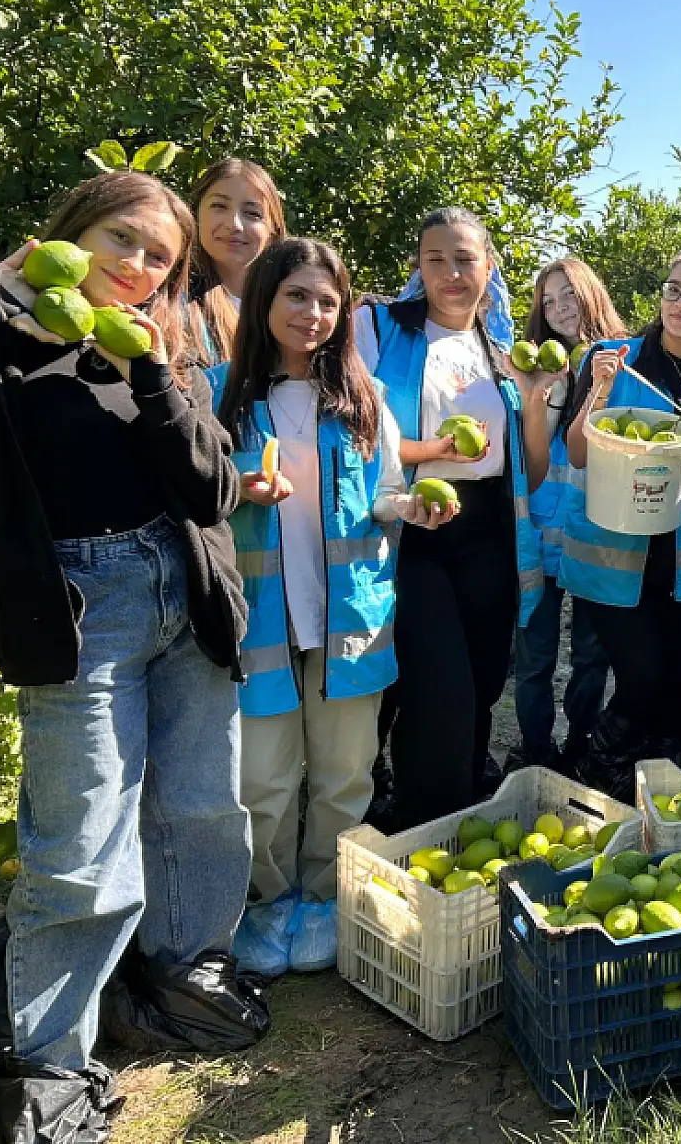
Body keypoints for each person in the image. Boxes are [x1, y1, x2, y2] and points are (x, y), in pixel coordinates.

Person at [0, 172, 252, 1116]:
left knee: (203, 805)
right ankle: (47, 1063)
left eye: (157, 258)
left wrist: (156, 375)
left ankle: (179, 977)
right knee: (81, 837)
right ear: (72, 234)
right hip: (84, 606)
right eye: (119, 239)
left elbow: (214, 490)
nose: (134, 265)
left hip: (185, 590)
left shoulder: (161, 352)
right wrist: (1, 292)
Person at [213, 237, 450, 976]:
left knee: (347, 773)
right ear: (265, 303)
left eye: (327, 300)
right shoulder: (220, 394)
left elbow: (379, 499)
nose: (313, 313)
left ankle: (326, 898)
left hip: (351, 616)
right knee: (263, 781)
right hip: (259, 621)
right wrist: (233, 492)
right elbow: (192, 504)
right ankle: (269, 901)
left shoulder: (362, 399)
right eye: (297, 296)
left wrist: (412, 506)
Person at [355, 208, 554, 828]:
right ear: (418, 266)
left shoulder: (500, 354)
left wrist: (535, 397)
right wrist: (437, 452)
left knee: (485, 679)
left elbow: (531, 470)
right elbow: (361, 440)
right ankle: (427, 823)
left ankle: (468, 803)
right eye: (435, 258)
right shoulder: (383, 329)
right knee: (440, 687)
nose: (451, 272)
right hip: (412, 529)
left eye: (465, 259)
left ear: (488, 267)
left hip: (488, 532)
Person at [557, 247, 681, 800]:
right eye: (672, 288)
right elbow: (577, 453)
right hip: (613, 559)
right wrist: (598, 393)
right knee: (641, 684)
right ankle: (594, 771)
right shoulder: (616, 358)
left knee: (670, 697)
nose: (680, 302)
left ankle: (647, 794)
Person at [505, 257, 626, 775]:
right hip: (539, 524)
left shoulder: (622, 357)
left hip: (595, 526)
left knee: (591, 654)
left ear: (589, 295)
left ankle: (580, 744)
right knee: (534, 654)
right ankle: (534, 749)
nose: (557, 310)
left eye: (567, 297)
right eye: (547, 301)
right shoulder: (530, 364)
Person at [184, 158, 289, 367]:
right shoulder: (172, 303)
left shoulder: (296, 305)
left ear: (273, 230)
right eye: (219, 206)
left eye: (252, 213)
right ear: (195, 215)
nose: (234, 225)